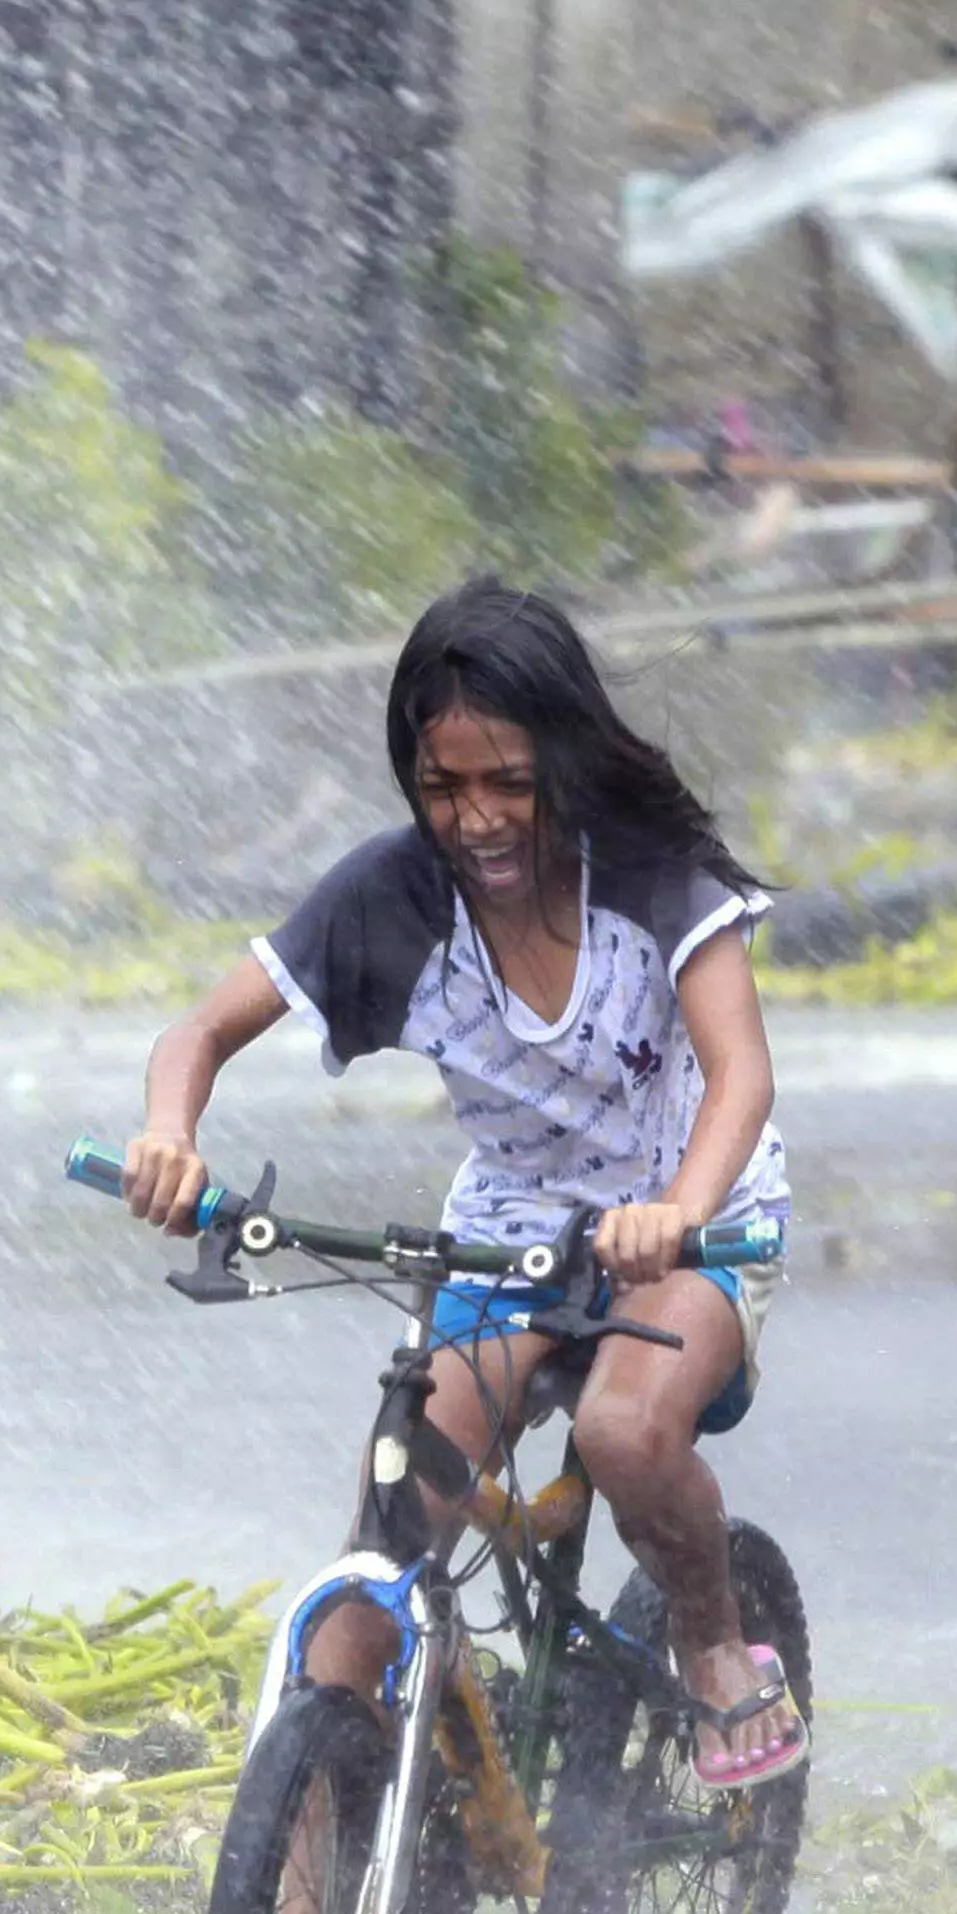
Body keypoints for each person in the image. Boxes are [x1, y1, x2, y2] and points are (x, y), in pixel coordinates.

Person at [120, 577, 800, 1786]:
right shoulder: (391, 894)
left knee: (623, 1430)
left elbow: (737, 1072)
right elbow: (199, 1035)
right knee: (379, 1552)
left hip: (686, 1222)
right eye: (441, 789)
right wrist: (170, 1133)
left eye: (506, 785)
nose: (475, 820)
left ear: (564, 764)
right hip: (507, 1239)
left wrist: (681, 1211)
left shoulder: (653, 876)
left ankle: (710, 1642)